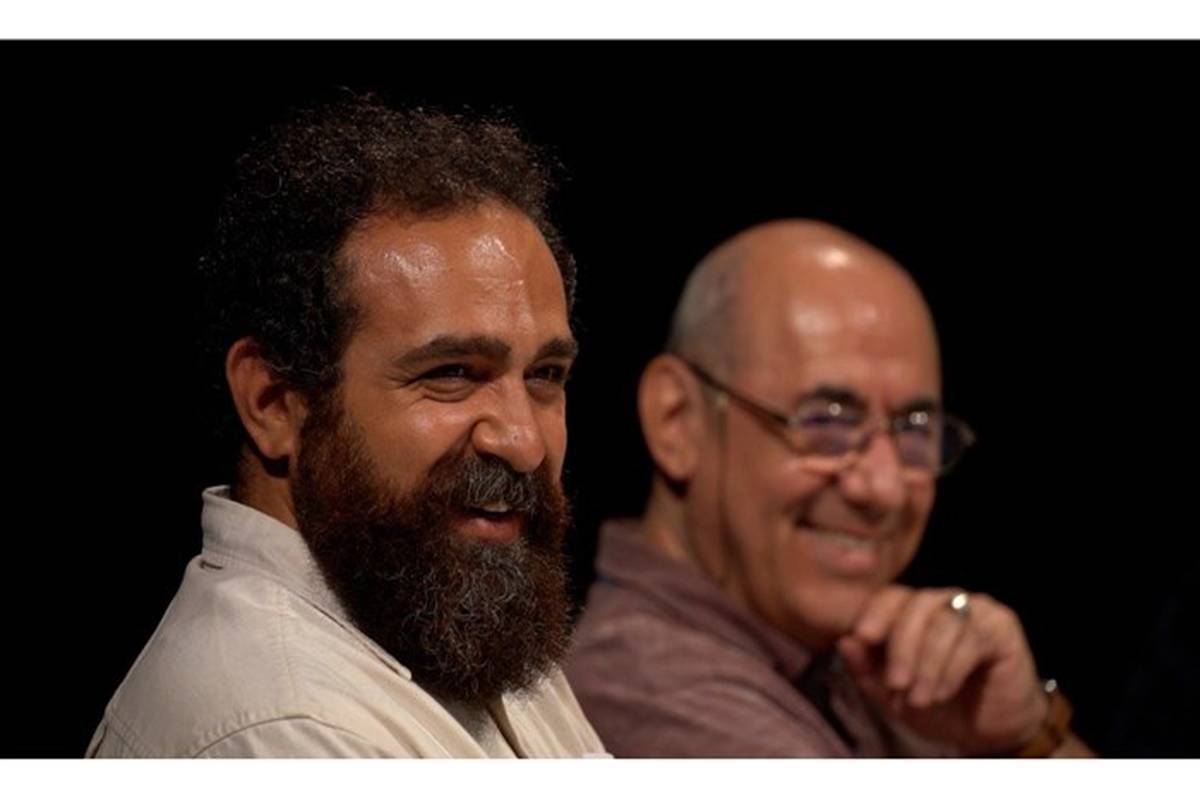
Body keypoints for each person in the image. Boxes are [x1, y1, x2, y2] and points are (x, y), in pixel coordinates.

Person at [88, 95, 605, 758]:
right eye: (451, 373)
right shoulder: (282, 731)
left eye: (546, 375)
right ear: (274, 402)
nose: (524, 442)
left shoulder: (443, 608)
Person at [565, 220, 1091, 757]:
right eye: (827, 421)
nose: (884, 489)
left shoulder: (856, 661)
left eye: (915, 430)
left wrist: (1026, 731)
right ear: (677, 420)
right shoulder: (654, 694)